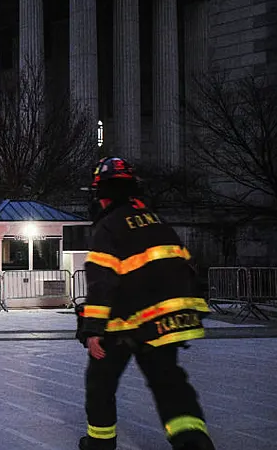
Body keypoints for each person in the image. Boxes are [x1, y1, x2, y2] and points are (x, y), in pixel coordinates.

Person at [77, 157, 215, 450]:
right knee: (170, 384)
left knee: (100, 383)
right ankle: (192, 441)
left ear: (101, 195)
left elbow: (102, 282)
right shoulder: (157, 221)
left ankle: (100, 444)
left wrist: (92, 330)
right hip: (164, 322)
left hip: (123, 324)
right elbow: (186, 266)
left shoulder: (109, 226)